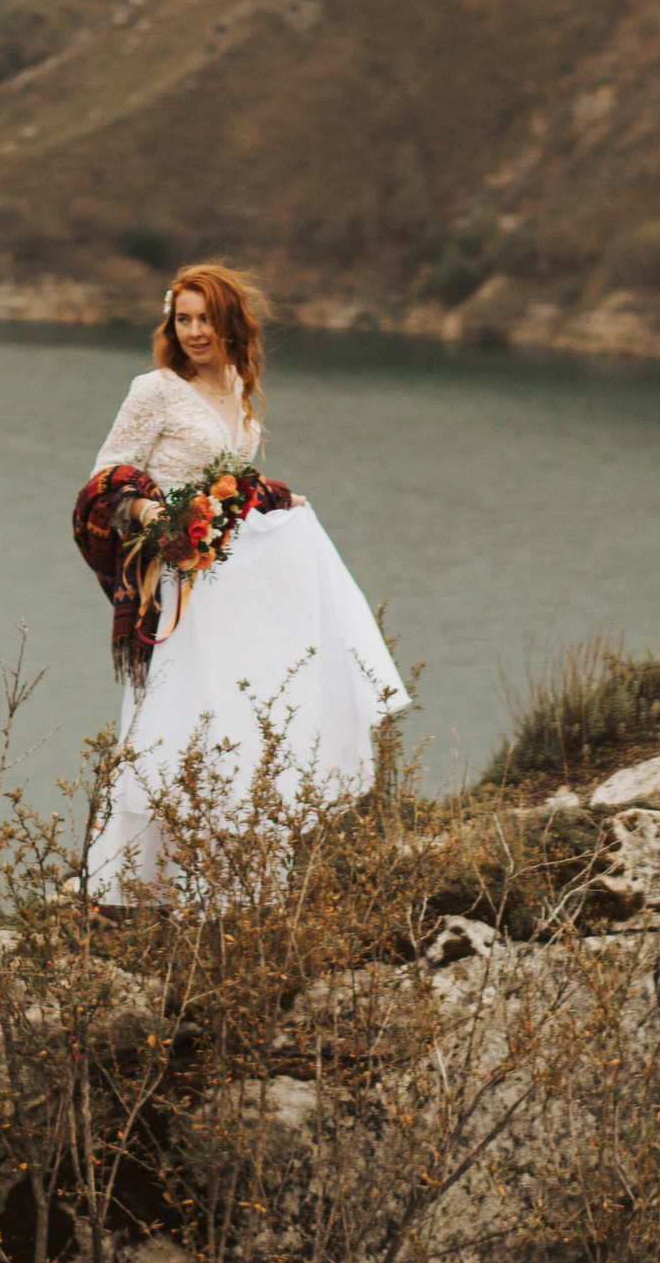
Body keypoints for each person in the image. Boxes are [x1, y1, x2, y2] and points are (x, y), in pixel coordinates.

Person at [73, 264, 409, 899]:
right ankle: (137, 886)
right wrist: (154, 515)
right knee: (178, 713)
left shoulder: (237, 384)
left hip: (235, 579)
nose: (194, 331)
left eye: (206, 318)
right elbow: (107, 476)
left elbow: (231, 478)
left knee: (237, 713)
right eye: (183, 319)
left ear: (231, 322)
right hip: (182, 577)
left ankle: (227, 883)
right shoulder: (156, 390)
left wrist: (274, 501)